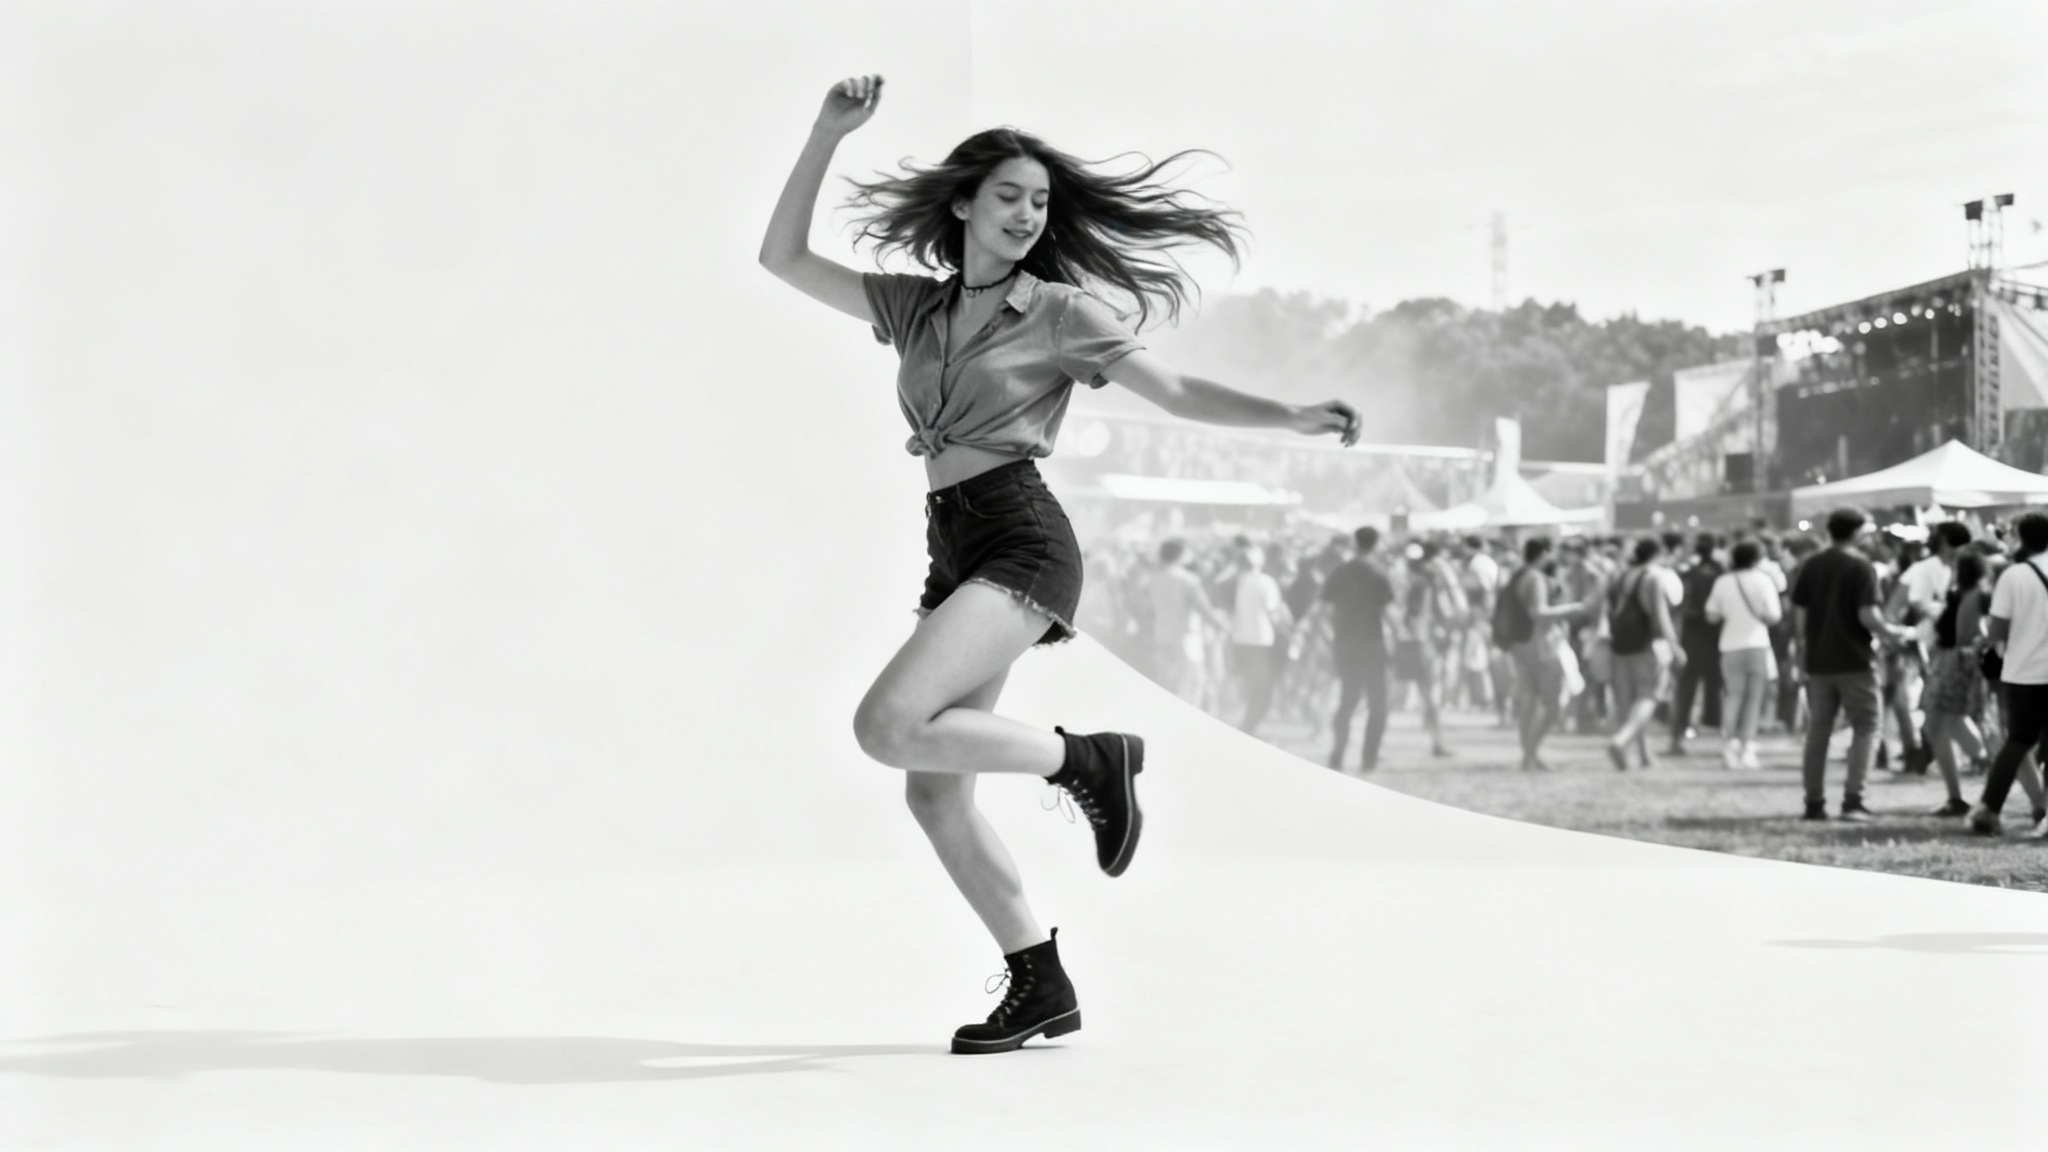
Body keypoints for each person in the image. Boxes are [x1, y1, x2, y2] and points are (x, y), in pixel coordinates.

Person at [759, 75, 1361, 1054]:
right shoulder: (914, 310)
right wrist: (826, 132)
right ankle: (1039, 981)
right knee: (930, 786)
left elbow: (1172, 390)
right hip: (951, 541)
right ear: (962, 204)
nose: (1027, 215)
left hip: (1019, 535)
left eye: (1039, 202)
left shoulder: (1059, 313)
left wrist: (1288, 416)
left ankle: (1090, 760)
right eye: (1008, 197)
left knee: (887, 725)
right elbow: (780, 257)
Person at [1789, 508, 1916, 822]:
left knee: (1818, 729)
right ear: (1857, 532)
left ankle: (1814, 802)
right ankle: (1853, 800)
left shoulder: (1810, 564)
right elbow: (1868, 617)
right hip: (1855, 659)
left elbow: (1799, 616)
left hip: (1818, 660)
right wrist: (1894, 634)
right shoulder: (1861, 566)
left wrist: (1802, 650)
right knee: (1867, 726)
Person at [1971, 513, 2048, 838]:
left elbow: (1997, 630)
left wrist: (1986, 643)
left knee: (2018, 742)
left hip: (2023, 672)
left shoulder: (2014, 575)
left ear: (2021, 538)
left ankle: (1989, 809)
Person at [1497, 537, 1585, 771]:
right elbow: (1538, 612)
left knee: (1529, 700)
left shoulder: (1519, 574)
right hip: (1539, 645)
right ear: (1545, 553)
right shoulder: (1535, 577)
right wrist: (1572, 608)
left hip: (1521, 645)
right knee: (1553, 704)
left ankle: (1529, 755)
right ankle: (1530, 751)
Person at [1316, 526, 1396, 772]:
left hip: (1345, 644)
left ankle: (1337, 754)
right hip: (1372, 644)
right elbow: (1389, 614)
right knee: (1377, 705)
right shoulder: (1378, 574)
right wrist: (1398, 643)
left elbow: (1323, 612)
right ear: (1376, 544)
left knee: (1347, 701)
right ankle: (1368, 758)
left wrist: (1330, 637)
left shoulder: (1340, 572)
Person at [1605, 537, 1685, 771]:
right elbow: (1661, 617)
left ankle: (1644, 754)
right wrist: (1675, 646)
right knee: (1649, 697)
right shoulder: (1653, 578)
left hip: (1620, 645)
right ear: (1658, 554)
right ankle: (1621, 739)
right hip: (1646, 645)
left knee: (1632, 702)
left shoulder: (1620, 576)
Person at [1705, 540, 1782, 770]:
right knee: (1754, 699)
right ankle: (1746, 747)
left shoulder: (1722, 581)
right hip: (1757, 644)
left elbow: (1711, 615)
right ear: (1757, 559)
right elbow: (1774, 616)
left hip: (1729, 645)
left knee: (1733, 696)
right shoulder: (1764, 581)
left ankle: (1728, 745)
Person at [1146, 538, 1227, 703]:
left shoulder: (1154, 579)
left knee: (1166, 685)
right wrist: (1221, 626)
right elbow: (1205, 610)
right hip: (1186, 640)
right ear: (1181, 555)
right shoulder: (1188, 580)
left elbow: (1148, 608)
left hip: (1162, 636)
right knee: (1190, 687)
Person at [1668, 533, 1725, 754]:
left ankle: (1677, 737)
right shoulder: (1719, 573)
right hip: (1715, 637)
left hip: (1690, 637)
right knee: (1720, 688)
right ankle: (1724, 738)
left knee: (1686, 689)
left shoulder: (1688, 574)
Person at [1230, 543, 1294, 735]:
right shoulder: (1265, 582)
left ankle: (1246, 726)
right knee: (1262, 689)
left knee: (1250, 686)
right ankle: (1247, 729)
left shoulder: (1234, 581)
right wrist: (1287, 634)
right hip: (1261, 642)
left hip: (1239, 640)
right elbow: (1273, 613)